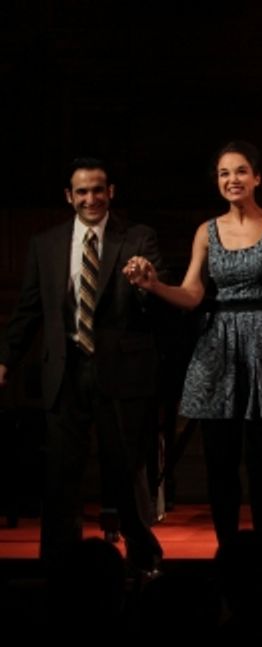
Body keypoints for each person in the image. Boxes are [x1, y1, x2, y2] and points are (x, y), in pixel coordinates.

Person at [124, 141, 262, 548]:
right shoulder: (207, 230)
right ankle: (227, 550)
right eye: (224, 174)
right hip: (219, 345)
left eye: (241, 171)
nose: (233, 179)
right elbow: (193, 294)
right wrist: (155, 285)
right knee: (220, 459)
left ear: (257, 178)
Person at [0, 157, 163, 573]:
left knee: (124, 470)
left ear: (111, 192)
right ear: (69, 196)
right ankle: (57, 568)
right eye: (82, 191)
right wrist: (5, 360)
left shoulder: (138, 238)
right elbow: (28, 311)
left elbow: (154, 306)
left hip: (120, 373)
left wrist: (146, 284)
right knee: (60, 477)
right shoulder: (47, 244)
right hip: (66, 371)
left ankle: (144, 560)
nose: (91, 198)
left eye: (98, 189)